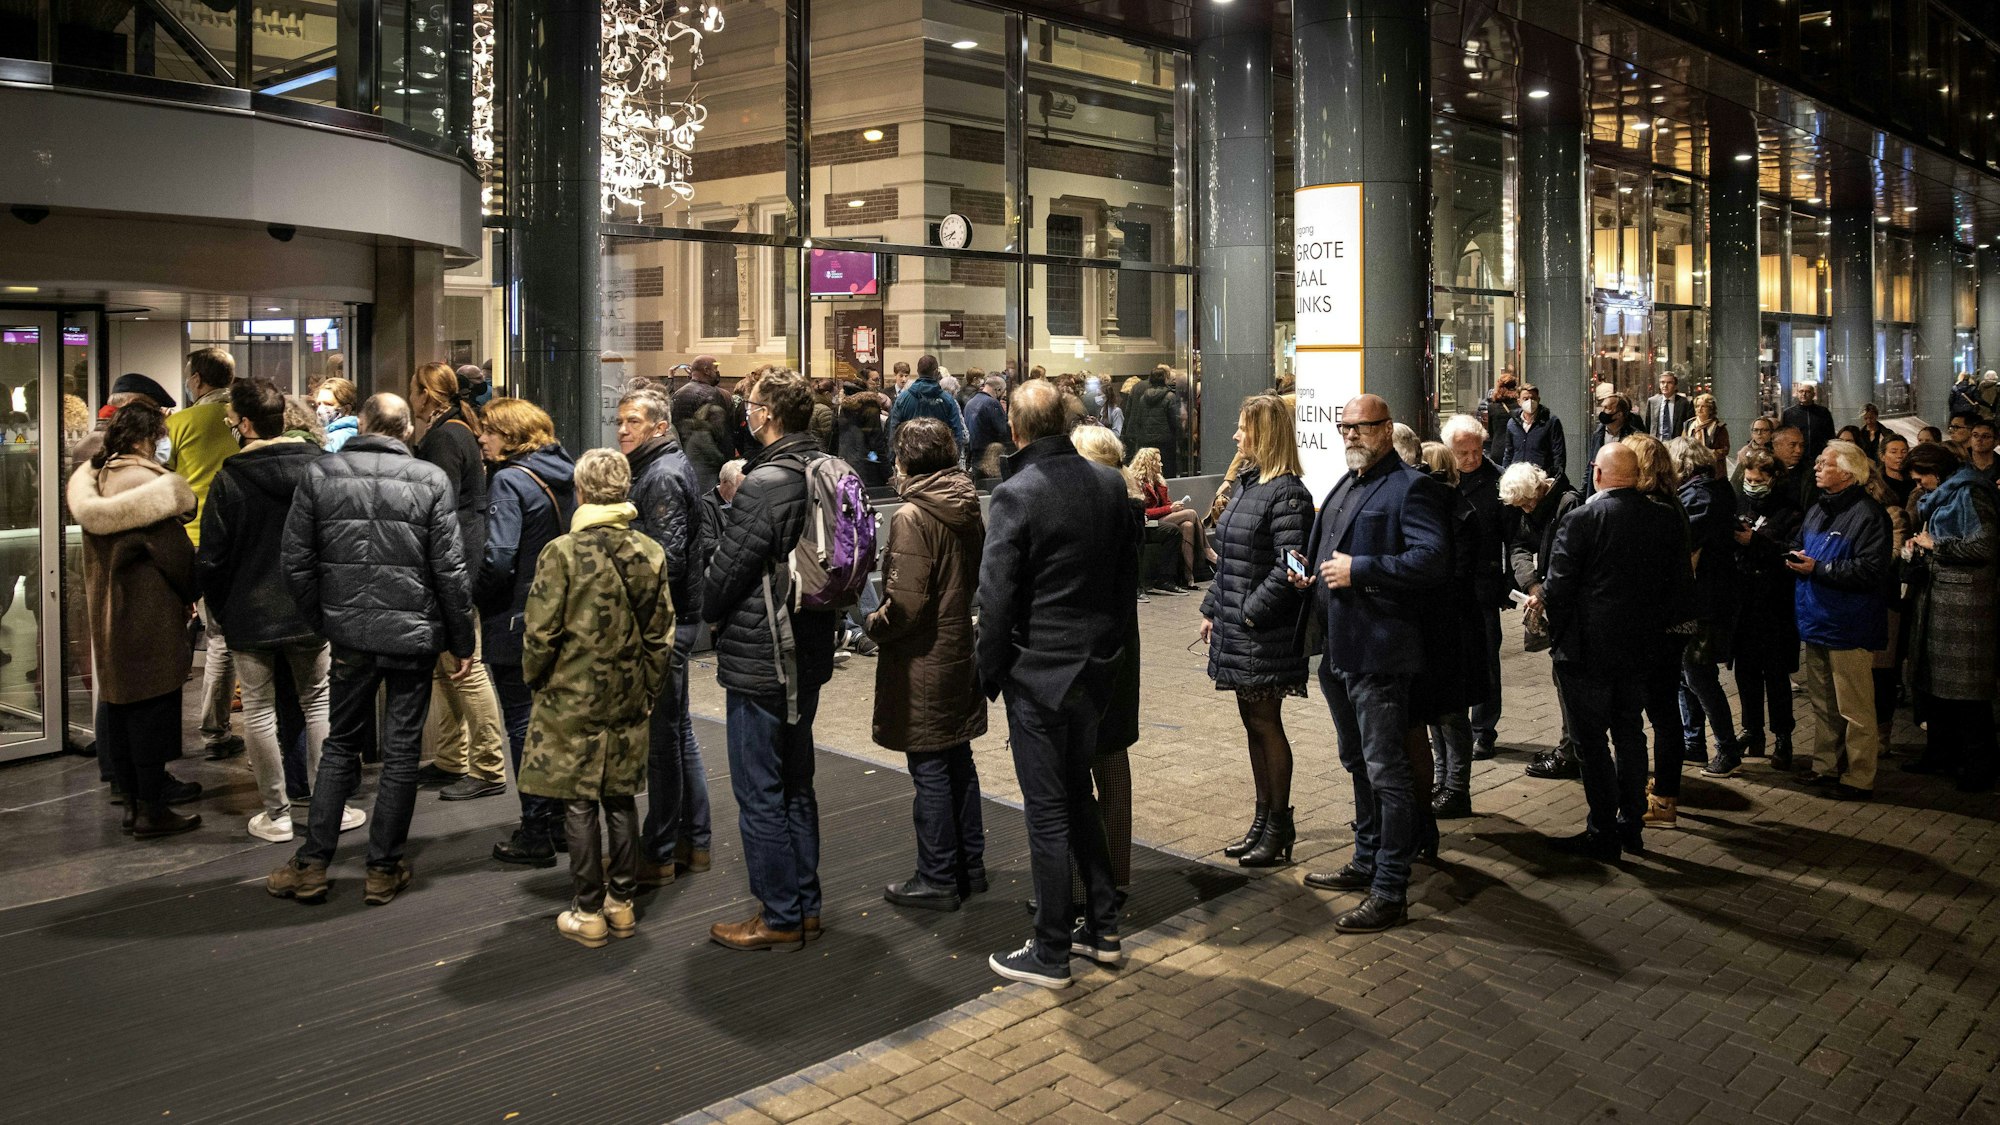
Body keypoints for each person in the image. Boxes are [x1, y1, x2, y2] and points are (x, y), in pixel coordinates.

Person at [266, 394, 476, 906]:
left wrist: (327, 619)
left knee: (341, 744)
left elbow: (294, 562)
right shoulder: (430, 481)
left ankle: (313, 862)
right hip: (413, 634)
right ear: (405, 431)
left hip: (351, 637)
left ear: (361, 424)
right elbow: (449, 569)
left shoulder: (322, 474)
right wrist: (460, 639)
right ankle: (382, 868)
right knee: (403, 751)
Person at [978, 379, 1137, 988]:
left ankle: (1050, 951)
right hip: (1095, 671)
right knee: (1077, 800)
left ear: (1015, 430)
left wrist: (989, 675)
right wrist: (1109, 653)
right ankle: (1101, 928)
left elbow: (996, 600)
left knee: (1048, 811)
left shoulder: (1017, 494)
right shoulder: (1107, 484)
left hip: (1039, 676)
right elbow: (1127, 587)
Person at [1292, 394, 1448, 934]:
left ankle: (1391, 889)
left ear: (1387, 428)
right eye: (1345, 427)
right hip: (1339, 650)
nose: (1350, 435)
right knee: (1357, 762)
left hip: (1380, 652)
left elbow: (1432, 559)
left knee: (1387, 772)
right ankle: (1365, 860)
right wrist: (1309, 574)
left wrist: (1362, 569)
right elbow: (1327, 552)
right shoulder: (1345, 484)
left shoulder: (1410, 487)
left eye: (1361, 427)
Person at [703, 369, 840, 951]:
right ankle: (805, 905)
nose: (745, 411)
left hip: (764, 651)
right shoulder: (822, 468)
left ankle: (778, 915)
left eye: (752, 403)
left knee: (759, 786)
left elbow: (725, 576)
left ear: (770, 415)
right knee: (796, 780)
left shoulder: (766, 482)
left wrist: (706, 601)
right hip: (808, 644)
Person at [516, 449, 675, 947]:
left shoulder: (561, 552)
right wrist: (649, 687)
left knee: (579, 801)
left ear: (580, 492)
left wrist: (536, 679)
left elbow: (540, 633)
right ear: (624, 490)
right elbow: (660, 633)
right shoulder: (649, 551)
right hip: (627, 691)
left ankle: (587, 911)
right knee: (621, 795)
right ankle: (622, 904)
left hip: (570, 693)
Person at [196, 378, 364, 843]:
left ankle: (277, 813)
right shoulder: (325, 468)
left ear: (247, 423)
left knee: (259, 711)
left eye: (232, 419)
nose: (231, 424)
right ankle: (333, 803)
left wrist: (219, 608)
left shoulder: (230, 478)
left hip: (249, 611)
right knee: (317, 704)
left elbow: (212, 557)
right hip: (311, 607)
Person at [1541, 443, 1690, 859]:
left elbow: (1559, 589)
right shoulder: (1664, 519)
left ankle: (1603, 829)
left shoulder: (1583, 519)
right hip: (1641, 649)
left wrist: (1559, 638)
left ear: (1599, 474)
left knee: (1591, 744)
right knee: (1629, 734)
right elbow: (1678, 585)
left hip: (1587, 651)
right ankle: (1631, 825)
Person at [865, 418, 988, 910]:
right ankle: (969, 867)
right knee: (958, 760)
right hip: (958, 646)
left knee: (931, 766)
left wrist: (874, 623)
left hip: (923, 659)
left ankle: (937, 876)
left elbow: (906, 606)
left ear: (907, 459)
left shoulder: (913, 516)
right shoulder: (965, 504)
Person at [69, 402, 202, 839]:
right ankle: (152, 809)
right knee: (153, 708)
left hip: (108, 612)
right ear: (147, 438)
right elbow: (177, 558)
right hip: (148, 614)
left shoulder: (100, 479)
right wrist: (191, 593)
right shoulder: (147, 487)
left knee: (122, 706)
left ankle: (129, 803)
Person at [1200, 395, 1311, 866]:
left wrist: (1248, 613)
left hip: (1262, 633)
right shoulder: (1249, 485)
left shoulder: (1288, 494)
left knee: (1266, 725)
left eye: (1243, 428)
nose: (1236, 436)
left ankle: (1278, 824)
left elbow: (1291, 568)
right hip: (1242, 626)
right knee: (1254, 726)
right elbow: (1230, 562)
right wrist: (1212, 607)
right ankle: (1262, 820)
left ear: (1264, 434)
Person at [475, 398, 577, 866]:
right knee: (551, 724)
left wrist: (475, 597)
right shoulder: (567, 472)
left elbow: (498, 557)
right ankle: (556, 823)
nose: (482, 438)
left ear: (513, 436)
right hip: (561, 613)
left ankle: (536, 828)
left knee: (522, 723)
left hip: (514, 618)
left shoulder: (509, 480)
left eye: (489, 431)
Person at [616, 388, 712, 885]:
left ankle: (660, 849)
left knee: (664, 741)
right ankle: (692, 842)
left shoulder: (662, 475)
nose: (622, 429)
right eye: (619, 420)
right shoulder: (659, 469)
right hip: (673, 619)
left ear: (658, 426)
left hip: (667, 622)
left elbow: (664, 560)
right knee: (677, 733)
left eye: (633, 421)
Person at [409, 361, 508, 800]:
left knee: (465, 667)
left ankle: (488, 767)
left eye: (414, 389)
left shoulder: (447, 436)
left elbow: (439, 506)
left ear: (427, 395)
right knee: (447, 668)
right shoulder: (455, 429)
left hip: (455, 562)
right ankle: (452, 758)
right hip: (457, 558)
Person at [1790, 440, 1893, 800]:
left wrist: (1818, 567)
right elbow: (1804, 545)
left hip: (1849, 624)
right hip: (1817, 618)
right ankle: (1825, 767)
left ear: (1847, 473)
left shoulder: (1868, 515)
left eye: (1824, 463)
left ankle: (1860, 775)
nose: (1816, 468)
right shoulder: (1818, 509)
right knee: (1823, 704)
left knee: (1855, 707)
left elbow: (1872, 570)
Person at [1068, 424, 1143, 905]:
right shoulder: (1128, 506)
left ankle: (1081, 888)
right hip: (1121, 649)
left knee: (1075, 781)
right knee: (1113, 767)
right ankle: (1116, 876)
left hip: (1086, 656)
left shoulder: (1090, 512)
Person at [1903, 442, 1998, 792]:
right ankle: (1940, 754)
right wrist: (1919, 547)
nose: (1917, 486)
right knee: (1936, 685)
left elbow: (1985, 545)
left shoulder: (1971, 493)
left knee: (1967, 691)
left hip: (1965, 604)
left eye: (1920, 479)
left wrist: (1935, 546)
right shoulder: (1946, 494)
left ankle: (1979, 765)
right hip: (1941, 599)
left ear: (1937, 472)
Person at [170, 347, 245, 762]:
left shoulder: (179, 423)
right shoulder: (246, 417)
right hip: (245, 540)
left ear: (197, 380)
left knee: (218, 639)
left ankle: (215, 731)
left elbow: (166, 483)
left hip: (198, 541)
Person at [1413, 442, 1491, 829]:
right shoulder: (1446, 509)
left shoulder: (1458, 513)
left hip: (1455, 625)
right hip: (1443, 623)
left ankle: (1457, 787)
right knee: (1436, 707)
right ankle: (1441, 780)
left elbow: (1455, 574)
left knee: (1451, 711)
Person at [1667, 439, 1744, 780]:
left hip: (1705, 600)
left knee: (1698, 675)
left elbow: (1683, 544)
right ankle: (1693, 741)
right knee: (1688, 674)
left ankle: (1726, 748)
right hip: (1705, 597)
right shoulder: (1710, 489)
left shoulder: (1699, 496)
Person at [1502, 463, 1585, 780]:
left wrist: (1545, 591)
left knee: (1567, 681)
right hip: (1551, 600)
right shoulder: (1536, 504)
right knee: (1561, 678)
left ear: (1539, 488)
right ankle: (1571, 749)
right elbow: (1520, 545)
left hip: (1568, 609)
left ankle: (1572, 752)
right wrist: (1532, 584)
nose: (1525, 510)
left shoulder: (1568, 504)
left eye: (1527, 503)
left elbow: (1568, 561)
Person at [1729, 449, 1805, 771]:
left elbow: (1793, 553)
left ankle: (1783, 736)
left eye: (1758, 480)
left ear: (1773, 480)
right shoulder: (1741, 506)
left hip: (1775, 606)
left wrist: (1755, 544)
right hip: (1744, 606)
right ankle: (1752, 731)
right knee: (1745, 672)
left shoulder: (1790, 513)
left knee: (1775, 675)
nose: (1752, 485)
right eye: (1748, 479)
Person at [1442, 414, 1510, 760]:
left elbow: (1513, 538)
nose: (1471, 458)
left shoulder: (1497, 480)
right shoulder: (1439, 478)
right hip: (1445, 587)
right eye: (1463, 452)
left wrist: (1509, 583)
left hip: (1482, 586)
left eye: (1477, 450)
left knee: (1486, 662)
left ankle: (1484, 730)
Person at [1132, 446, 1209, 591]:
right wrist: (1169, 509)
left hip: (1161, 521)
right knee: (1191, 513)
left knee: (1187, 525)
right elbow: (1143, 512)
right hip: (1147, 523)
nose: (1161, 465)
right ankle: (1208, 552)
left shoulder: (1159, 482)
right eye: (1158, 462)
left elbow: (1166, 504)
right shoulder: (1137, 482)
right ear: (1149, 463)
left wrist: (1172, 506)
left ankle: (1188, 576)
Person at [671, 355, 739, 495]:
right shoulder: (713, 394)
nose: (717, 372)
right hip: (709, 467)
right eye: (716, 368)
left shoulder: (678, 394)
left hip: (684, 461)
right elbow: (723, 434)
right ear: (707, 371)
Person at [888, 354, 969, 450]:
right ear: (936, 372)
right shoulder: (948, 400)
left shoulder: (902, 399)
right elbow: (956, 433)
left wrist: (894, 458)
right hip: (940, 459)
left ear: (918, 371)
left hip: (911, 457)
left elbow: (894, 432)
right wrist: (954, 458)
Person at [1122, 365, 1184, 479]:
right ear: (1165, 379)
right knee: (1167, 472)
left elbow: (1138, 420)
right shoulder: (1170, 397)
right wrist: (1181, 438)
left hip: (1146, 442)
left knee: (1150, 472)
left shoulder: (1143, 398)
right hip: (1166, 443)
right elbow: (1175, 421)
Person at [834, 382, 894, 489]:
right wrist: (888, 472)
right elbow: (875, 444)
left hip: (845, 466)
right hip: (868, 469)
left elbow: (834, 438)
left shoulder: (842, 407)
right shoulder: (870, 406)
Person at [1583, 393, 1643, 495]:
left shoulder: (1634, 437)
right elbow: (1590, 466)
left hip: (1624, 494)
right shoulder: (1597, 435)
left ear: (1619, 414)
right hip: (1598, 492)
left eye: (1607, 408)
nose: (1602, 411)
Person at [1502, 383, 1565, 475]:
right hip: (1518, 477)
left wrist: (1556, 476)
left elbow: (1558, 453)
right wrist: (1505, 473)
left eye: (1533, 398)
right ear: (1519, 401)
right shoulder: (1512, 423)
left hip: (1541, 477)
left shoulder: (1550, 422)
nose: (1530, 402)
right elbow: (1508, 452)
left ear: (1538, 400)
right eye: (1525, 399)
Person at [963, 373, 1011, 483]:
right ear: (998, 389)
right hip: (990, 458)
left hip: (974, 455)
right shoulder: (991, 403)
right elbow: (1003, 430)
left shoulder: (970, 402)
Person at [1782, 383, 1837, 465]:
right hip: (1797, 457)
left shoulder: (1823, 412)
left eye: (1807, 392)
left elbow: (1830, 434)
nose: (1804, 394)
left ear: (1813, 395)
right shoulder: (1788, 413)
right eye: (1801, 391)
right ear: (1797, 393)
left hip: (1818, 456)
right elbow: (1783, 435)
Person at [1475, 372, 1520, 461]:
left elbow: (1491, 432)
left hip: (1498, 448)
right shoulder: (1520, 407)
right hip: (1516, 448)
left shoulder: (1492, 407)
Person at [1644, 372, 1694, 443]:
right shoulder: (1652, 401)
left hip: (1677, 444)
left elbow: (1689, 426)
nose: (1665, 385)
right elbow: (1648, 425)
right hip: (1656, 444)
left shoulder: (1685, 403)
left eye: (1669, 383)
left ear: (1675, 386)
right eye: (1662, 382)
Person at [314, 376, 360, 452]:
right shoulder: (360, 432)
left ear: (346, 409)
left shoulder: (335, 440)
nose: (320, 410)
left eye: (328, 404)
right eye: (319, 404)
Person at [1730, 416, 1777, 486]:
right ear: (1751, 433)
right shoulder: (1744, 451)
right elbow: (1737, 479)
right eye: (1755, 430)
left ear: (1771, 432)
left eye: (1764, 430)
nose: (1759, 433)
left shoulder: (1777, 450)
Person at [1684, 393, 1730, 463]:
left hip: (1713, 467)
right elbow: (1683, 444)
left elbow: (1725, 449)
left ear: (1711, 409)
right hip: (1692, 466)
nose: (1699, 409)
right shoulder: (1689, 424)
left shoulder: (1719, 427)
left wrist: (1708, 454)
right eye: (1697, 406)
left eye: (1703, 406)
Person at [1879, 435, 1915, 506]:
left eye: (1904, 452)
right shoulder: (1878, 484)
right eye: (1893, 452)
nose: (1900, 456)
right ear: (1882, 456)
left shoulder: (1915, 481)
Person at [1967, 418, 2000, 483]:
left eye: (1985, 436)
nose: (1979, 439)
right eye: (1975, 435)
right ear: (1970, 439)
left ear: (1996, 441)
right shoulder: (1960, 463)